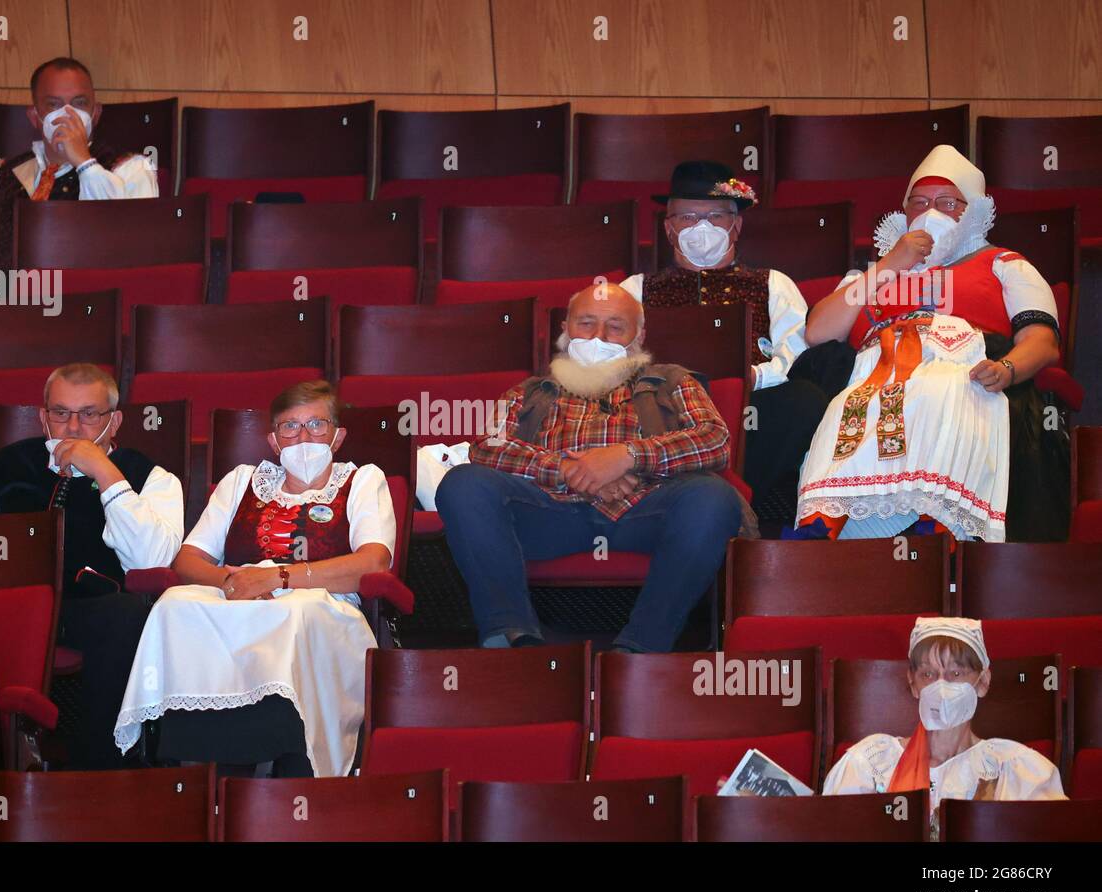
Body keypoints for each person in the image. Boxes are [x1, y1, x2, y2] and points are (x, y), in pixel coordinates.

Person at [436, 282, 746, 654]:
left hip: (646, 510)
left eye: (615, 327)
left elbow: (714, 440)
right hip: (551, 512)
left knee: (714, 497)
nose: (598, 336)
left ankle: (640, 649)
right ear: (566, 328)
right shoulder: (528, 391)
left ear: (639, 335)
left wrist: (626, 457)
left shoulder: (673, 380)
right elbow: (487, 446)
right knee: (464, 484)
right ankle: (513, 638)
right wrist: (569, 469)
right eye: (586, 323)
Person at [113, 380, 396, 778]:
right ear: (274, 441)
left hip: (322, 606)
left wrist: (278, 578)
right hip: (237, 600)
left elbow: (374, 562)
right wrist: (232, 583)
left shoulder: (363, 481)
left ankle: (288, 755)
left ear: (338, 436)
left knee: (297, 611)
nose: (303, 437)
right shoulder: (241, 481)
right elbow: (188, 559)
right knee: (174, 604)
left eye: (317, 424)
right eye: (289, 427)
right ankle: (189, 759)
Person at [794, 144, 1067, 542]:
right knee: (844, 406)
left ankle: (938, 526)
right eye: (918, 203)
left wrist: (1007, 370)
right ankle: (823, 525)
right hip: (872, 374)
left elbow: (1041, 340)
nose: (930, 212)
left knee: (941, 390)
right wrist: (890, 265)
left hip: (963, 368)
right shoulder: (871, 275)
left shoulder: (1004, 264)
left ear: (973, 209)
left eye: (947, 202)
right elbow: (818, 332)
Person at [0, 363, 184, 769]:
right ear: (43, 417)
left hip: (87, 609)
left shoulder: (153, 478)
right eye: (61, 413)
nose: (74, 427)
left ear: (115, 420)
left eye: (90, 414)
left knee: (127, 614)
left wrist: (105, 473)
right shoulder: (0, 468)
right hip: (7, 603)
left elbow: (152, 560)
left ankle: (96, 771)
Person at [622, 160, 838, 507]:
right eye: (687, 218)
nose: (701, 227)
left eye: (715, 217)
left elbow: (796, 354)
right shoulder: (634, 290)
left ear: (736, 225)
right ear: (668, 228)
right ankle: (670, 497)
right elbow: (617, 356)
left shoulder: (773, 284)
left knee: (804, 399)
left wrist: (753, 377)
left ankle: (737, 504)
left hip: (750, 407)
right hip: (666, 409)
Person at [823, 617, 1066, 831]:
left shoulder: (1013, 768)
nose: (941, 686)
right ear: (912, 682)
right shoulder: (871, 763)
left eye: (956, 674)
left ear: (983, 682)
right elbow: (831, 832)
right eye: (928, 674)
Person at [0, 56, 158, 265]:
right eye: (54, 105)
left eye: (79, 103)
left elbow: (128, 245)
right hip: (7, 303)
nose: (68, 115)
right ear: (35, 117)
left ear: (95, 113)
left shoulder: (132, 169)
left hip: (88, 303)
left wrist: (84, 162)